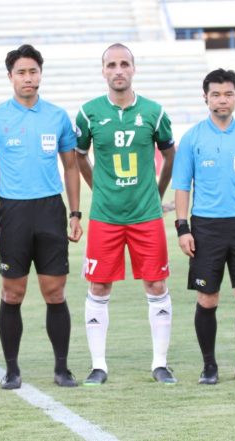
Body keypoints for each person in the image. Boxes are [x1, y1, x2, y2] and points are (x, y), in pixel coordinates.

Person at [0, 44, 83, 389]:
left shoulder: (57, 116)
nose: (28, 78)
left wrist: (75, 213)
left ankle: (62, 369)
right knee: (13, 293)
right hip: (14, 211)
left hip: (51, 209)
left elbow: (71, 167)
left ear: (40, 74)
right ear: (10, 76)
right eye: (21, 72)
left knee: (55, 292)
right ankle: (12, 369)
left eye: (33, 71)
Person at [74, 43, 177, 385]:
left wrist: (157, 193)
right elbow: (79, 156)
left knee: (156, 283)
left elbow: (170, 155)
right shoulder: (88, 113)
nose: (118, 70)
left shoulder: (154, 112)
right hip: (105, 216)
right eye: (111, 65)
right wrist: (98, 189)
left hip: (146, 215)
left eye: (124, 64)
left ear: (133, 68)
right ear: (103, 71)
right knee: (99, 284)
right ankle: (98, 366)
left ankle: (160, 363)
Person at [172, 68, 235, 385]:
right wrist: (182, 228)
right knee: (207, 299)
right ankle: (209, 366)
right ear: (205, 98)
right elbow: (181, 186)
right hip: (205, 227)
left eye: (228, 94)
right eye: (215, 94)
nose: (222, 99)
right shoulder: (192, 138)